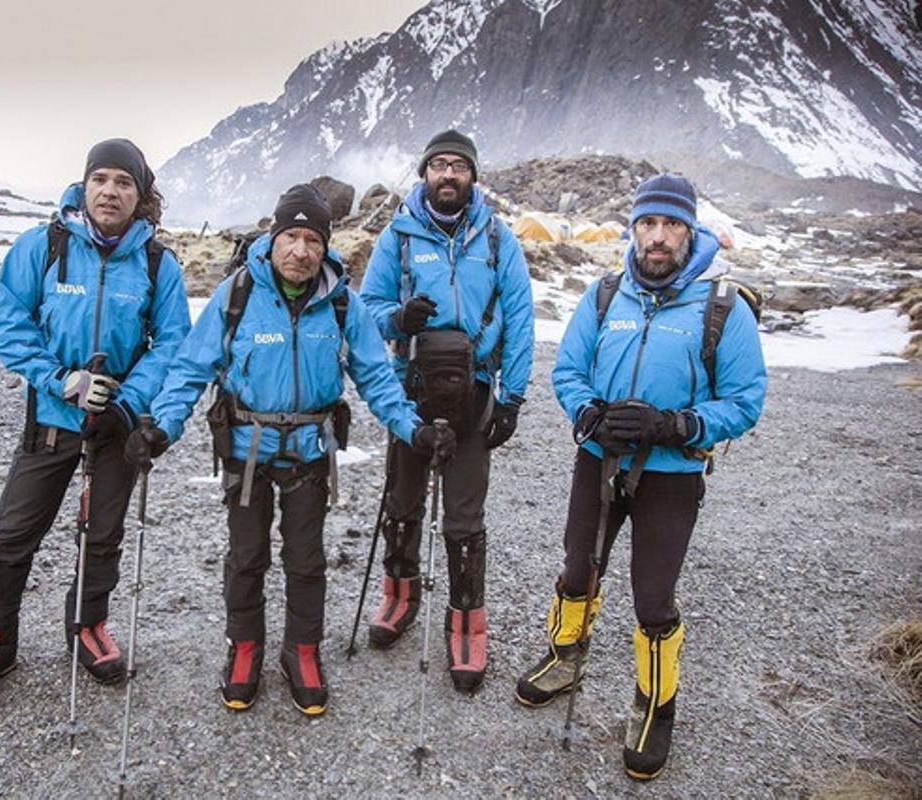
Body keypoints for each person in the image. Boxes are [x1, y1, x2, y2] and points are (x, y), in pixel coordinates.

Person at [126, 184, 455, 716]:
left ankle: (301, 651)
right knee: (246, 557)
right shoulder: (236, 293)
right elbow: (190, 369)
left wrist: (413, 429)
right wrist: (160, 429)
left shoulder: (342, 303)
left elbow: (376, 376)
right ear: (274, 238)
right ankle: (245, 647)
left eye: (312, 239)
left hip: (309, 453)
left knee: (306, 561)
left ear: (325, 246)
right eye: (291, 236)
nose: (301, 249)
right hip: (245, 451)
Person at [513, 174, 766, 779]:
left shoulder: (721, 306)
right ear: (633, 229)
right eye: (648, 224)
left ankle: (656, 705)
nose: (658, 237)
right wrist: (589, 414)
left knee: (653, 597)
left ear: (689, 231)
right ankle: (565, 655)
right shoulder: (604, 295)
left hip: (672, 473)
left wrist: (676, 426)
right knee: (579, 566)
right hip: (599, 461)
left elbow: (745, 399)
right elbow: (568, 370)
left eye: (671, 225)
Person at [0, 139, 191, 704]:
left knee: (101, 535)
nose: (110, 191)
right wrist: (64, 380)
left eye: (124, 182)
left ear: (141, 194)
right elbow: (9, 324)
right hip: (51, 421)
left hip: (116, 428)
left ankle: (87, 627)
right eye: (100, 179)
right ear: (84, 186)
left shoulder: (157, 262)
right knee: (12, 534)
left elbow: (173, 343)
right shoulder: (44, 245)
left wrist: (127, 403)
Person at [358, 129, 535, 694]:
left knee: (463, 518)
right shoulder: (399, 237)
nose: (449, 175)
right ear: (424, 175)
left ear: (473, 176)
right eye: (439, 166)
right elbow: (367, 311)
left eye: (459, 166)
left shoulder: (499, 239)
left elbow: (522, 318)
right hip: (411, 389)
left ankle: (466, 624)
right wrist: (398, 319)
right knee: (403, 502)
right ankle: (399, 597)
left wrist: (513, 397)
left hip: (476, 392)